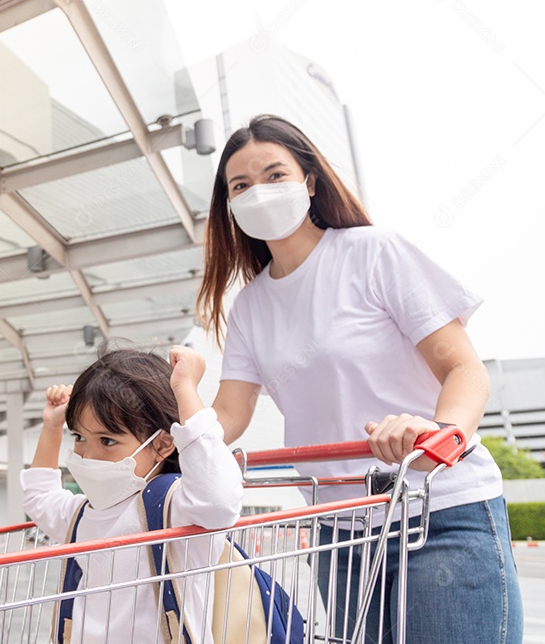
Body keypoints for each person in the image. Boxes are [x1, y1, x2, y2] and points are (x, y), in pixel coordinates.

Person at [197, 114, 523, 643]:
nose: (259, 192)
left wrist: (437, 435)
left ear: (309, 182)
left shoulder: (374, 253)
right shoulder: (251, 307)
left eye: (274, 175)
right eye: (241, 185)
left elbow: (464, 369)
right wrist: (167, 429)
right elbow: (229, 414)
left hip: (437, 510)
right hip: (341, 533)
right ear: (229, 206)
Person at [22, 345, 243, 643]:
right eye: (79, 437)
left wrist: (185, 389)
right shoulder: (83, 515)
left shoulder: (176, 509)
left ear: (163, 444)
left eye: (107, 441)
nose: (88, 455)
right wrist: (51, 426)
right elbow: (39, 498)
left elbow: (219, 499)